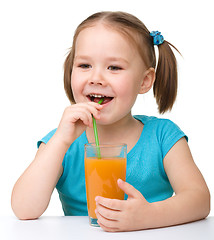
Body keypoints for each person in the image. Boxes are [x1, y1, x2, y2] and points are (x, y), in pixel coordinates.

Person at [11, 11, 210, 232]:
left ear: (144, 81)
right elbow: (23, 209)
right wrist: (60, 142)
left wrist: (149, 216)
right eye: (84, 65)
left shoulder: (163, 136)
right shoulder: (61, 142)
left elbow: (200, 200)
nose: (96, 78)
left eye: (114, 67)